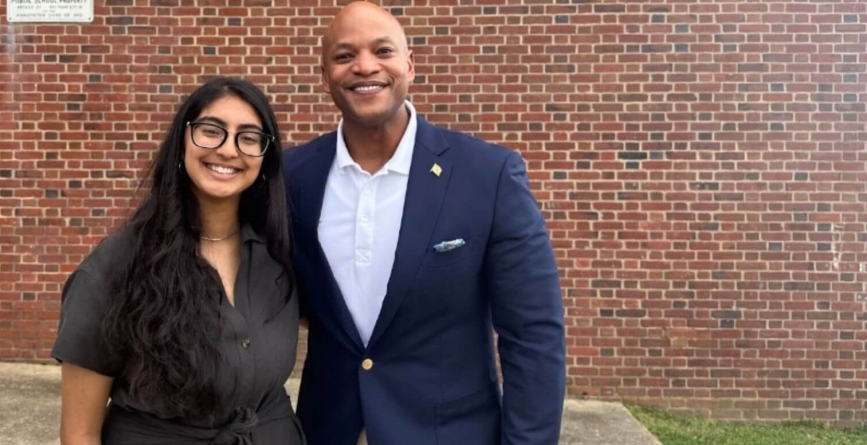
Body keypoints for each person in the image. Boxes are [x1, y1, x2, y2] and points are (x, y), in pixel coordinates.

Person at [284, 2, 566, 444]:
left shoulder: (488, 175)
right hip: (328, 430)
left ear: (409, 66)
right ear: (325, 78)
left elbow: (532, 335)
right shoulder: (292, 178)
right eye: (344, 56)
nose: (364, 66)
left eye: (383, 50)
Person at [51, 77, 305, 445]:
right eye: (211, 130)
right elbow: (80, 433)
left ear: (266, 158)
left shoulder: (279, 257)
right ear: (181, 141)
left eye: (248, 137)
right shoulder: (114, 268)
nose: (228, 150)